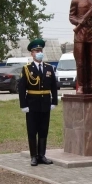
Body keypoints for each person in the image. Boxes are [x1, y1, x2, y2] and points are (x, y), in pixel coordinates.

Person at [18, 38, 58, 166]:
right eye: (36, 51)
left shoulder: (49, 68)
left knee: (43, 129)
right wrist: (23, 105)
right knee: (32, 130)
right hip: (32, 104)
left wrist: (54, 101)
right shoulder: (26, 69)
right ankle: (33, 156)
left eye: (40, 50)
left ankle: (42, 155)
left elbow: (53, 86)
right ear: (32, 54)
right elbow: (21, 88)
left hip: (45, 103)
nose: (39, 52)